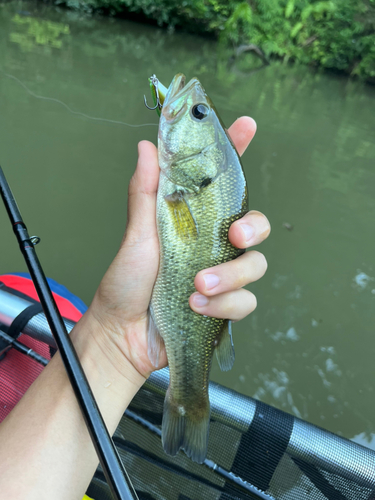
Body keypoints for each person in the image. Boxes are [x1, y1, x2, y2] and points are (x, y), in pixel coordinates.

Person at [0, 116, 270, 499]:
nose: (188, 107)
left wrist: (115, 346)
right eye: (199, 113)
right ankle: (188, 398)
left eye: (196, 114)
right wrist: (113, 340)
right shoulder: (189, 182)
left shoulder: (191, 183)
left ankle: (189, 393)